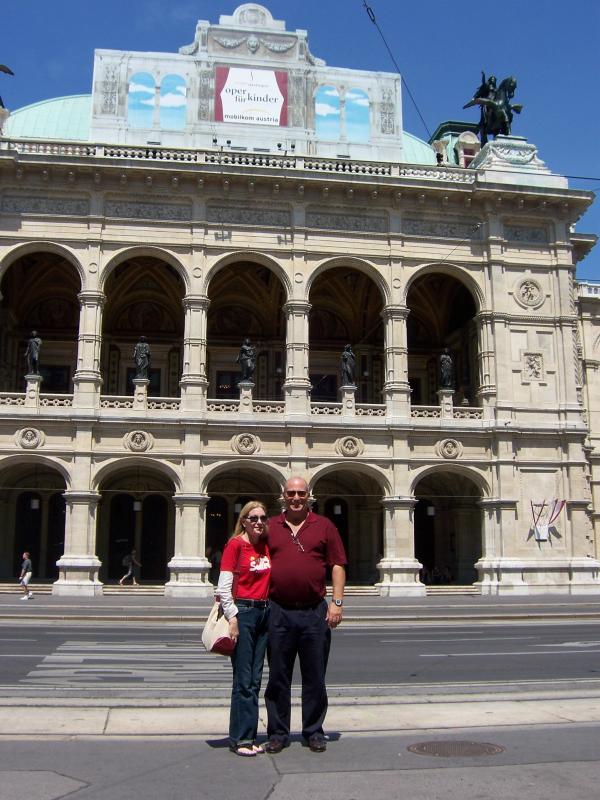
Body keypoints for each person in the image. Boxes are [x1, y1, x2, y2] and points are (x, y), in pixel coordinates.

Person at [264, 476, 346, 754]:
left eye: (301, 493)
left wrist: (336, 602)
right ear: (283, 496)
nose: (296, 497)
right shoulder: (270, 526)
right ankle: (277, 733)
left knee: (314, 677)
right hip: (278, 610)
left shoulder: (324, 525)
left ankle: (313, 731)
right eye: (291, 493)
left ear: (309, 496)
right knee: (278, 677)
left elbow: (336, 565)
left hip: (314, 611)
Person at [217, 501, 271, 757]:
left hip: (264, 612)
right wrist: (233, 617)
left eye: (262, 518)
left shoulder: (265, 546)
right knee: (243, 680)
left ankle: (249, 735)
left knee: (256, 679)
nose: (259, 522)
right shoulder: (235, 545)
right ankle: (240, 738)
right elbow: (224, 586)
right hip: (244, 613)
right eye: (253, 518)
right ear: (244, 520)